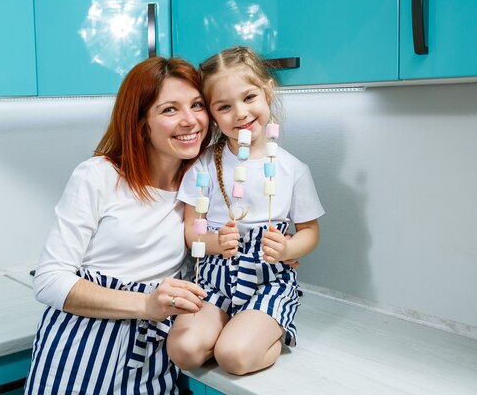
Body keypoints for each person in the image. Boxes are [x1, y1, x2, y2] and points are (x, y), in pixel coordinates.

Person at [25, 57, 211, 395]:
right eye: (170, 110)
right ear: (141, 123)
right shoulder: (99, 176)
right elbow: (49, 281)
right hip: (82, 349)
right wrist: (146, 305)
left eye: (197, 105)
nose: (191, 121)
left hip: (153, 354)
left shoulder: (198, 185)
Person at [167, 46, 325, 376]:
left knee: (233, 357)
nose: (240, 113)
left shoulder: (292, 169)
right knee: (182, 350)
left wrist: (288, 248)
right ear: (211, 114)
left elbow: (310, 233)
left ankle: (270, 328)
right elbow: (190, 228)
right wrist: (212, 243)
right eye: (224, 106)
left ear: (267, 91)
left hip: (267, 281)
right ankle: (227, 327)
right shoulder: (204, 164)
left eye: (249, 97)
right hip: (213, 279)